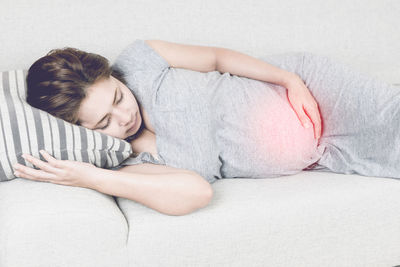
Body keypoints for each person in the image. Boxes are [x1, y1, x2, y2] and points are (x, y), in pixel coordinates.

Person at [13, 39, 399, 215]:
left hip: (313, 93)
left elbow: (216, 57)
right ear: (81, 131)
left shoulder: (140, 61)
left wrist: (289, 80)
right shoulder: (129, 163)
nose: (124, 116)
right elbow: (196, 193)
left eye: (117, 97)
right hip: (321, 154)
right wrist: (94, 178)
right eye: (103, 123)